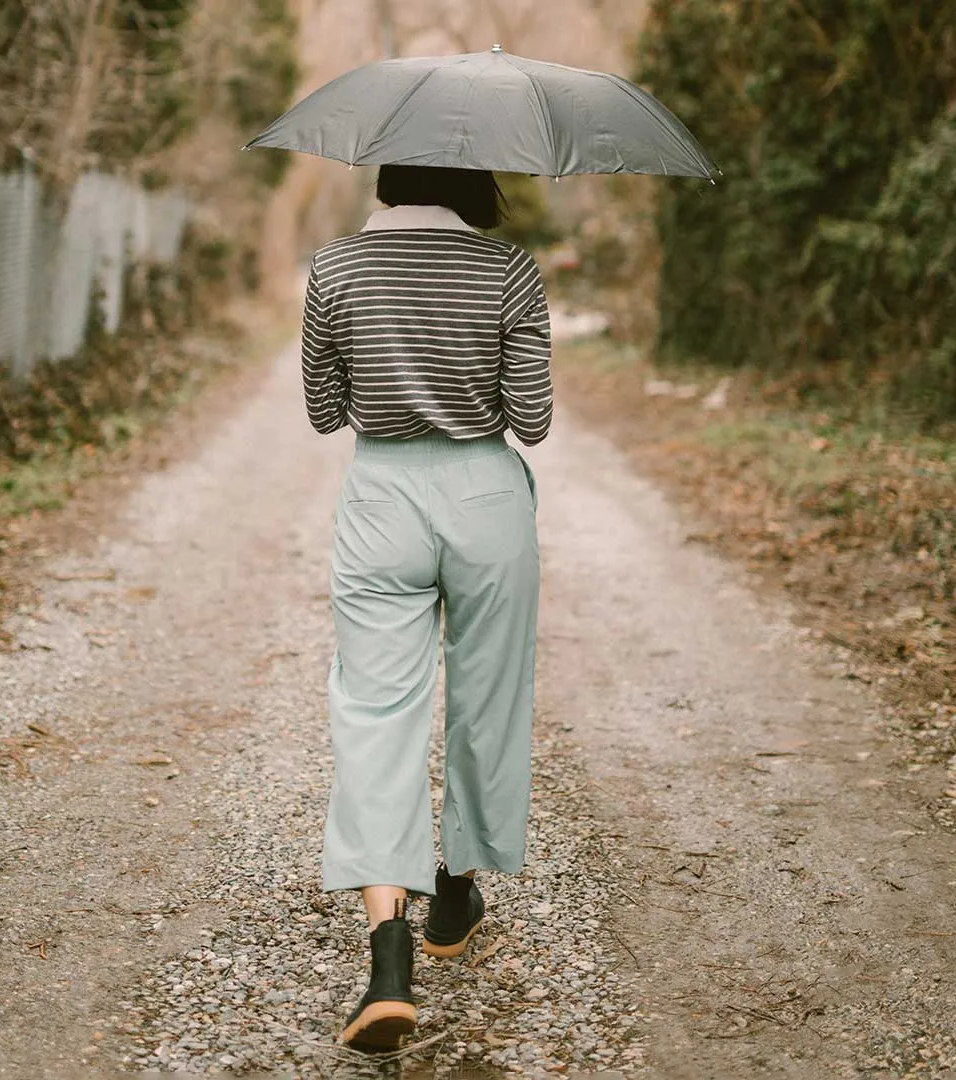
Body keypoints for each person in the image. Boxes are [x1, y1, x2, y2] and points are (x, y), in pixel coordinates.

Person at [300, 164, 552, 1052]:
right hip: (486, 496)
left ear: (387, 175)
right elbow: (534, 417)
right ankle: (453, 891)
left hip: (381, 500)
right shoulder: (509, 269)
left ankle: (387, 962)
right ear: (477, 179)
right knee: (485, 702)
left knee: (374, 713)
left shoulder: (335, 269)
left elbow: (324, 410)